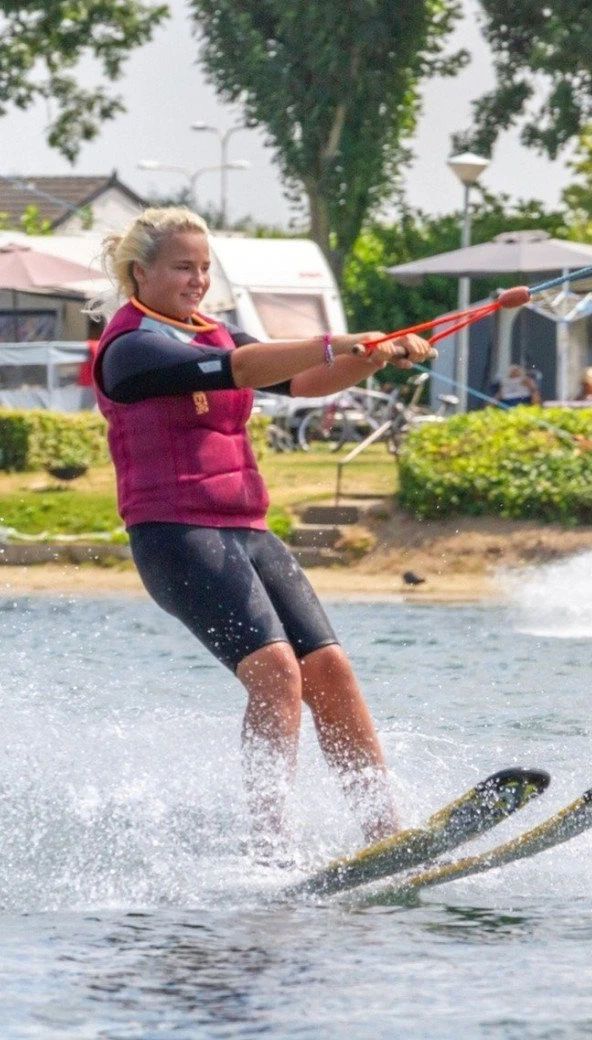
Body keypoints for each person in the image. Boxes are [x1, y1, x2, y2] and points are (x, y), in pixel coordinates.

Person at [89, 208, 434, 852]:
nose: (197, 279)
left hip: (245, 527)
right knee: (277, 671)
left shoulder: (215, 332)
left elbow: (302, 381)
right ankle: (269, 847)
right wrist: (343, 338)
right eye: (182, 268)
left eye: (203, 267)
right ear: (142, 272)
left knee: (328, 667)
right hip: (175, 534)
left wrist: (375, 357)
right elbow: (245, 371)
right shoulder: (131, 347)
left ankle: (387, 832)